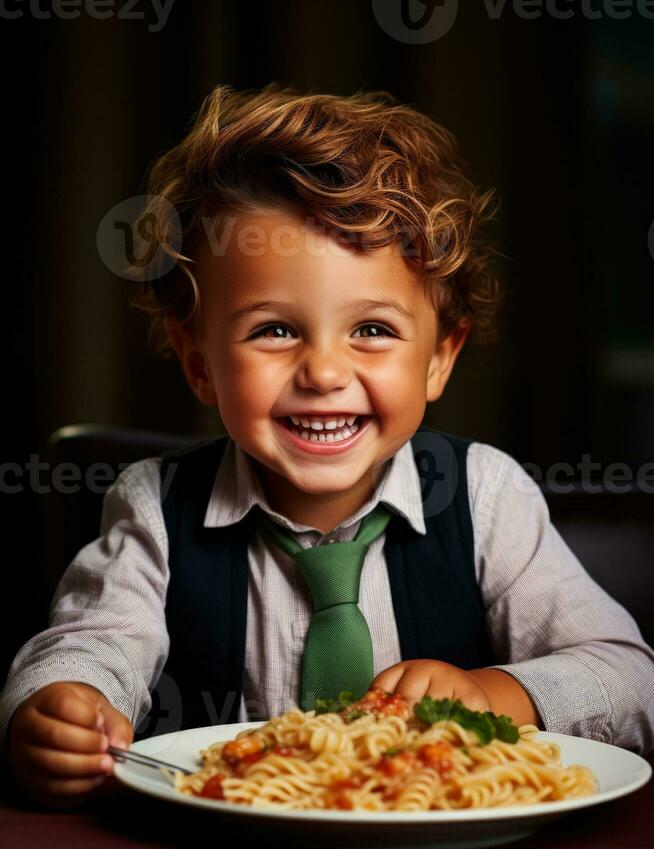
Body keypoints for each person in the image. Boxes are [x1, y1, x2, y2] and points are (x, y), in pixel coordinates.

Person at [2, 83, 652, 810]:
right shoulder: (155, 506)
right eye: (273, 330)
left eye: (372, 329)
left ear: (440, 357)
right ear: (198, 362)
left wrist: (496, 693)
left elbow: (630, 677)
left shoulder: (486, 497)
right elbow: (93, 641)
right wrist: (63, 701)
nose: (324, 372)